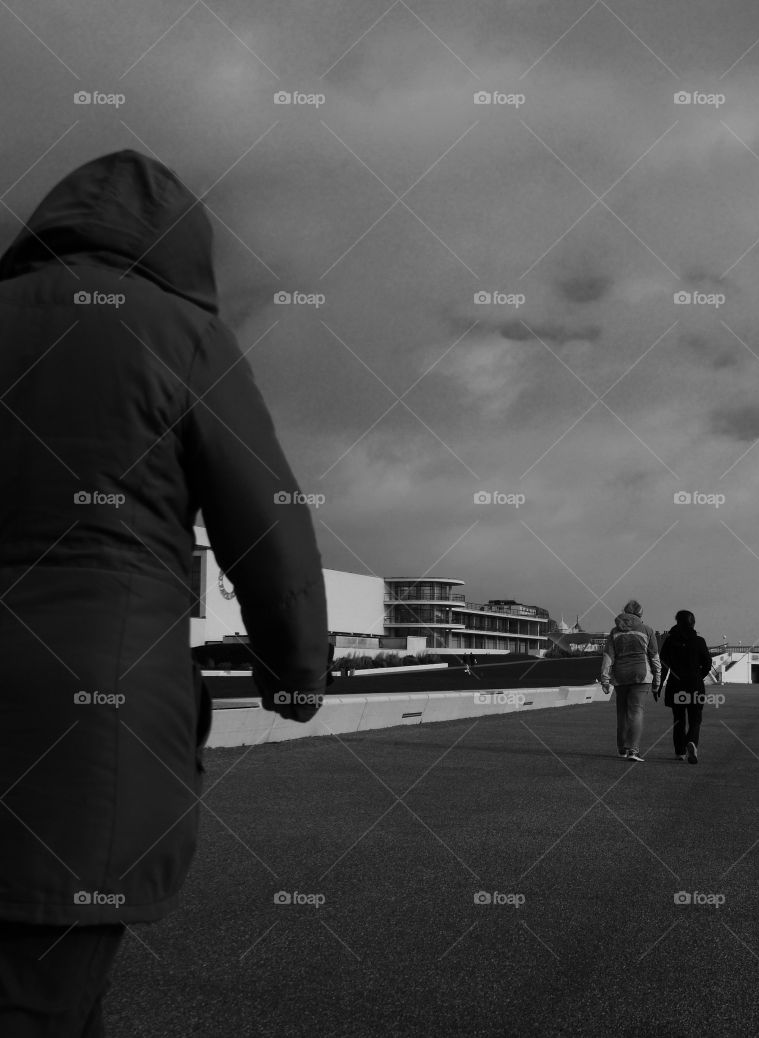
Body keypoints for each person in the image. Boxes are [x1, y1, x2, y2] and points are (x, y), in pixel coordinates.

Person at [0, 150, 329, 1036]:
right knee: (45, 991)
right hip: (89, 711)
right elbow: (269, 521)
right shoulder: (180, 334)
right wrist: (294, 674)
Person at [599, 600, 661, 761]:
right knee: (636, 712)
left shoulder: (614, 632)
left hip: (620, 676)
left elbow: (608, 657)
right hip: (641, 675)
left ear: (625, 612)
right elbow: (654, 658)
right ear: (640, 614)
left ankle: (622, 749)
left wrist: (605, 680)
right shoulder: (647, 630)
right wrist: (657, 681)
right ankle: (633, 750)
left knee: (622, 712)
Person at [657, 610, 712, 764]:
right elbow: (708, 663)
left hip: (676, 685)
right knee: (695, 718)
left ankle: (680, 752)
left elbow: (664, 665)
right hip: (695, 685)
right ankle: (692, 741)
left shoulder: (669, 641)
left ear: (677, 622)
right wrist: (698, 676)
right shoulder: (699, 641)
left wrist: (659, 685)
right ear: (693, 623)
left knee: (679, 719)